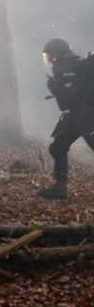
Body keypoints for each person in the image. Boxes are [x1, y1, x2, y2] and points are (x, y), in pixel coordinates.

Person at [39, 38, 94, 199]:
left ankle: (60, 187)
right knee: (58, 147)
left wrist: (54, 87)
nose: (48, 58)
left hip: (85, 116)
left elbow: (66, 101)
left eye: (49, 54)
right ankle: (60, 187)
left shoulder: (64, 67)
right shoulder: (77, 64)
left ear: (56, 53)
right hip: (78, 115)